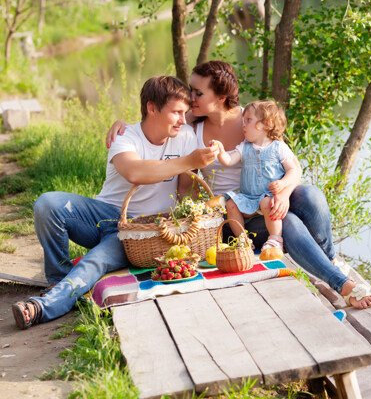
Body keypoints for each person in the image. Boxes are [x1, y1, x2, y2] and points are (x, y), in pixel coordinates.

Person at [106, 61, 371, 309]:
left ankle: (329, 263)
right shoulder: (193, 124)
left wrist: (284, 192)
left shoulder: (252, 120)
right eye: (191, 91)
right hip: (231, 217)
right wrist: (122, 125)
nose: (191, 98)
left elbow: (293, 167)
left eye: (198, 93)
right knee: (291, 222)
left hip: (264, 202)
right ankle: (341, 283)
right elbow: (155, 118)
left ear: (221, 97)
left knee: (308, 194)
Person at [12, 76, 219, 329]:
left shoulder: (185, 135)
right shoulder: (125, 136)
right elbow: (133, 172)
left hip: (140, 233)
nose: (183, 120)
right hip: (101, 216)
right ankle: (58, 279)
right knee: (47, 203)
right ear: (152, 108)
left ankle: (43, 307)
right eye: (176, 112)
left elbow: (185, 188)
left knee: (95, 261)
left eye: (185, 113)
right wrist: (188, 161)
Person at [211, 100, 300, 260]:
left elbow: (293, 170)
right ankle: (242, 240)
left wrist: (283, 183)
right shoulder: (244, 147)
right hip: (248, 197)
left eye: (248, 121)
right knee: (231, 204)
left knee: (268, 204)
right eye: (243, 121)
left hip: (268, 196)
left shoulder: (278, 147)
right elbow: (228, 160)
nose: (243, 125)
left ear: (267, 123)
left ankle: (275, 239)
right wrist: (220, 151)